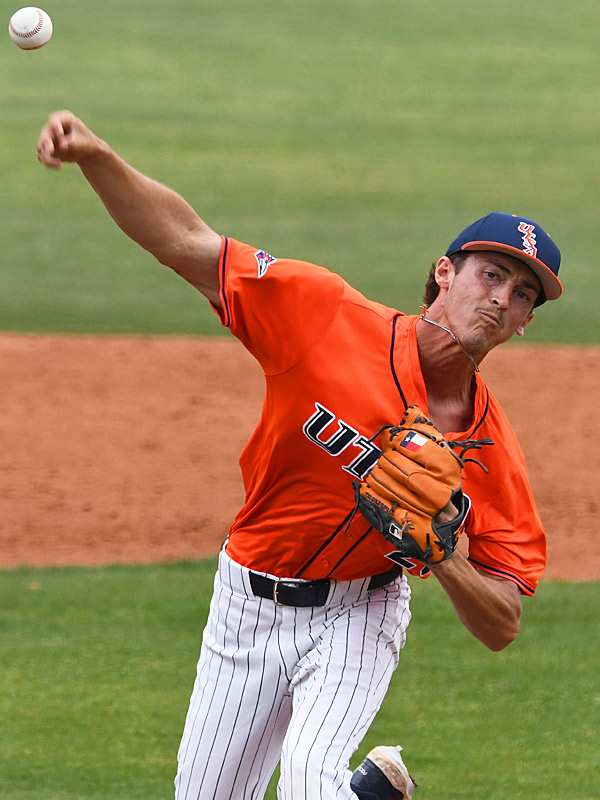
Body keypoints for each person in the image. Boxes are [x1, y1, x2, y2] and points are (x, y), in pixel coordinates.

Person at [36, 110, 562, 800]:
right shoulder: (324, 315)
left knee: (311, 785)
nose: (502, 299)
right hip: (245, 603)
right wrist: (97, 156)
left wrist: (447, 557)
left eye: (523, 294)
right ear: (444, 273)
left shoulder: (493, 453)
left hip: (360, 615)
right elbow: (185, 243)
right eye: (492, 275)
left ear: (525, 324)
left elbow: (503, 622)